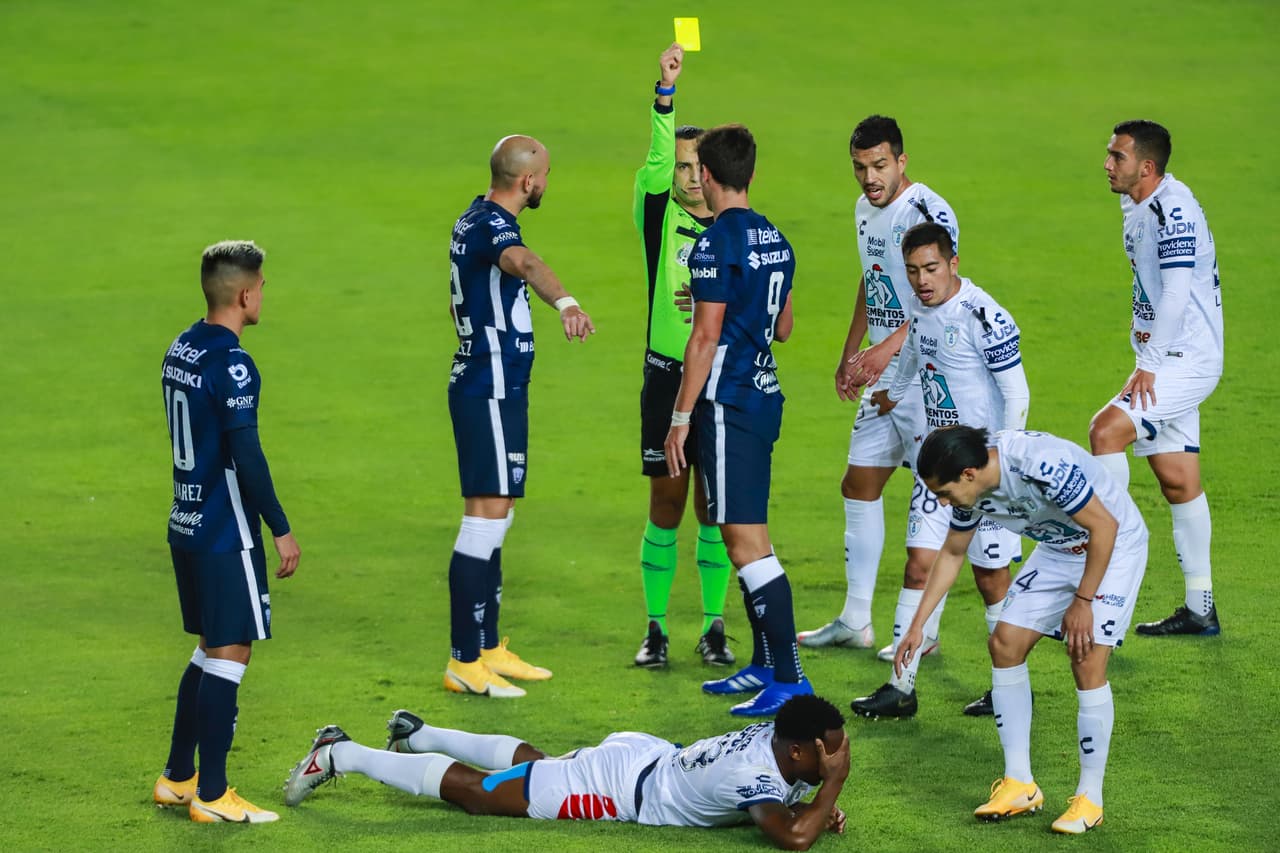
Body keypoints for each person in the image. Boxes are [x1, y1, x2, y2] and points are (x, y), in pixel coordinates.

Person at [897, 425, 1149, 834]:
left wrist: (1082, 603)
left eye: (943, 493)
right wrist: (917, 626)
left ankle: (1090, 799)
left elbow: (1105, 527)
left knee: (1085, 658)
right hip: (1058, 549)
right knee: (1005, 643)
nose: (944, 504)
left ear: (967, 475)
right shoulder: (969, 488)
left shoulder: (1039, 464)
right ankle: (1019, 783)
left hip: (1112, 547)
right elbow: (953, 551)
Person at [799, 116, 961, 681]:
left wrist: (883, 354)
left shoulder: (928, 214)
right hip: (884, 371)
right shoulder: (865, 209)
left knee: (935, 501)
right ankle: (855, 618)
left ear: (902, 161)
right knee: (859, 483)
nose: (869, 177)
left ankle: (925, 632)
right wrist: (852, 352)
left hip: (926, 380)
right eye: (860, 167)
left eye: (879, 165)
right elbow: (872, 281)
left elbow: (938, 298)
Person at [848, 223, 1028, 719]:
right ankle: (900, 688)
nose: (922, 280)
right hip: (939, 471)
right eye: (912, 271)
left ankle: (1009, 687)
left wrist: (1003, 463)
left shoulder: (983, 317)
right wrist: (887, 394)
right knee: (919, 565)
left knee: (992, 577)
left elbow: (1017, 394)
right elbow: (909, 360)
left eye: (930, 268)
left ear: (953, 262)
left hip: (985, 474)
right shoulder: (919, 310)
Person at [283, 695, 849, 850]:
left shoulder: (777, 740)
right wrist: (832, 788)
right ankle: (340, 753)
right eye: (828, 751)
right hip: (617, 789)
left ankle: (417, 735)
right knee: (483, 795)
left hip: (642, 755)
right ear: (798, 751)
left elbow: (781, 807)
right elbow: (792, 837)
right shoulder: (760, 774)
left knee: (537, 767)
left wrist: (814, 798)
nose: (835, 757)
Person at [663, 124, 811, 716]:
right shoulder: (776, 237)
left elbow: (704, 336)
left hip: (728, 401)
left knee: (745, 543)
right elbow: (784, 327)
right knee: (747, 532)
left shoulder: (714, 243)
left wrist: (679, 418)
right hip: (765, 393)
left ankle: (791, 677)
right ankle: (764, 663)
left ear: (706, 175)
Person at [153, 240, 301, 823]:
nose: (263, 294)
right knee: (230, 653)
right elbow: (247, 453)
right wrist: (281, 529)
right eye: (261, 286)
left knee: (208, 648)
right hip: (224, 528)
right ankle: (213, 795)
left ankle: (177, 777)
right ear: (245, 294)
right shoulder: (233, 363)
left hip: (185, 520)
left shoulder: (181, 346)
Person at [445, 135, 595, 698]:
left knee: (499, 513)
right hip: (488, 384)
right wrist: (567, 303)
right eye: (546, 175)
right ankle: (464, 659)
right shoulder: (493, 228)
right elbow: (523, 262)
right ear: (528, 181)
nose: (547, 184)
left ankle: (487, 647)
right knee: (484, 517)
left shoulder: (476, 217)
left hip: (499, 384)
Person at [1091, 120, 1223, 636]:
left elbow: (1174, 293)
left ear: (1146, 167)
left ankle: (1109, 582)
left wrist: (1149, 365)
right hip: (1166, 354)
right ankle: (1201, 607)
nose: (1106, 164)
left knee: (1106, 431)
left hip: (1184, 360)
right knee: (1178, 480)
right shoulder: (1137, 202)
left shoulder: (1174, 209)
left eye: (1116, 157)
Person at [632, 43, 733, 669]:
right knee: (666, 503)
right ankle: (655, 628)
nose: (690, 175)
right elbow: (653, 156)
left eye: (699, 166)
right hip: (666, 378)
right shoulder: (656, 215)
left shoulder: (733, 226)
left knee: (715, 510)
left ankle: (716, 627)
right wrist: (665, 91)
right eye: (681, 164)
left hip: (719, 379)